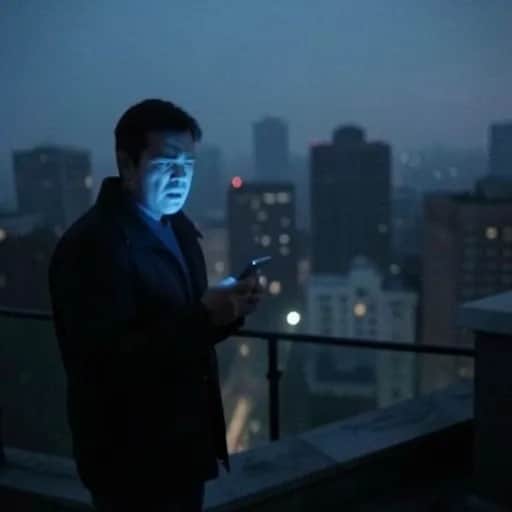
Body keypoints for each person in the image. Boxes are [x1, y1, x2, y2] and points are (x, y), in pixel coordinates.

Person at [48, 99, 264, 511]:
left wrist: (228, 310)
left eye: (189, 163)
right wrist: (204, 316)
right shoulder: (92, 246)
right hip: (131, 462)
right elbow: (105, 365)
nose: (181, 176)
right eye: (167, 163)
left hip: (182, 448)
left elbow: (181, 329)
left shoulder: (177, 229)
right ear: (127, 165)